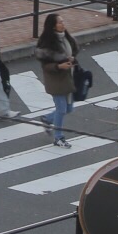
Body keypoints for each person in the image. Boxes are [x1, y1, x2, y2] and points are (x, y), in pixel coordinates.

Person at [34, 13, 78, 147]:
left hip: (69, 77)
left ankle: (47, 119)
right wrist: (59, 66)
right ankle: (59, 137)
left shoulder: (66, 38)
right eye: (59, 22)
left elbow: (74, 52)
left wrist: (72, 59)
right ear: (53, 25)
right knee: (62, 109)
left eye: (63, 21)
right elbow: (45, 66)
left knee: (69, 109)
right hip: (56, 80)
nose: (63, 24)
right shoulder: (47, 43)